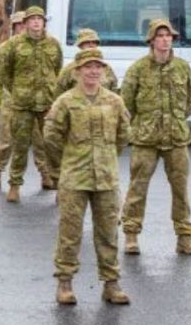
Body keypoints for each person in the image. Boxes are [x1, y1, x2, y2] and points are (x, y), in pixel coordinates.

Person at [43, 47, 131, 305]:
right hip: (75, 178)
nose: (93, 71)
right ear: (78, 71)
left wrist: (106, 157)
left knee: (108, 232)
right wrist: (65, 165)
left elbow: (123, 135)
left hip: (106, 178)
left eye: (98, 67)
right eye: (88, 67)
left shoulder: (114, 101)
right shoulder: (66, 102)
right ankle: (65, 282)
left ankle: (111, 283)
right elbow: (51, 138)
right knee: (70, 232)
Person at [120, 19, 191, 257]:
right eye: (161, 36)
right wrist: (141, 126)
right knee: (137, 187)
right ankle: (131, 234)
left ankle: (184, 237)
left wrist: (175, 120)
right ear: (152, 40)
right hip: (146, 139)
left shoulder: (182, 67)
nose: (166, 40)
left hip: (176, 139)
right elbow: (126, 103)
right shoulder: (138, 69)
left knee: (180, 190)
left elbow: (189, 100)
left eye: (169, 36)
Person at [0, 5, 62, 203]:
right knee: (20, 146)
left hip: (46, 103)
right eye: (32, 19)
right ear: (26, 23)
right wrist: (14, 87)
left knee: (52, 145)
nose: (35, 22)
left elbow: (57, 69)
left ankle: (58, 185)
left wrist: (51, 90)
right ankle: (14, 185)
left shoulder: (53, 44)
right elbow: (1, 69)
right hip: (22, 103)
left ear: (44, 23)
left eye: (39, 19)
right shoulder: (14, 44)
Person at [0, 10, 28, 190]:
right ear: (14, 27)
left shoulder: (41, 46)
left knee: (41, 141)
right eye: (19, 24)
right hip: (12, 98)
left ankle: (46, 174)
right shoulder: (7, 47)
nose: (22, 27)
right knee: (6, 138)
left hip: (34, 101)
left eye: (25, 24)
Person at [55, 29, 118, 95]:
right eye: (87, 42)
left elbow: (113, 88)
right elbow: (59, 93)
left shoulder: (106, 68)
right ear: (80, 45)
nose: (91, 45)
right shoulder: (69, 69)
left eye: (94, 42)